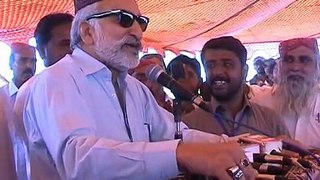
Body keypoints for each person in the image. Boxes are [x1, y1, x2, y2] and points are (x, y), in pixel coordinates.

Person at [21, 0, 256, 179]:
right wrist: (179, 154)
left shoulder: (134, 88)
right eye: (123, 19)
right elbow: (79, 160)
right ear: (87, 32)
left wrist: (230, 145)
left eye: (140, 22)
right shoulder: (56, 80)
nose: (137, 31)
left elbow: (175, 133)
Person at [183, 36, 289, 137]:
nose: (218, 72)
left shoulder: (270, 120)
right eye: (211, 65)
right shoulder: (189, 125)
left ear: (244, 71)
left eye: (227, 64)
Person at [12, 13, 74, 179]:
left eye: (78, 44)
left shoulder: (95, 86)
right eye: (65, 44)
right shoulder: (29, 94)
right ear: (42, 52)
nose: (73, 51)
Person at [251, 37, 320, 148]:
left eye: (304, 60)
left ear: (316, 66)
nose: (295, 67)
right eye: (288, 60)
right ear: (280, 66)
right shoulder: (259, 101)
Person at [0, 42, 37, 180]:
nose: (29, 66)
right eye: (22, 60)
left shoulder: (43, 96)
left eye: (33, 62)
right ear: (10, 64)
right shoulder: (1, 99)